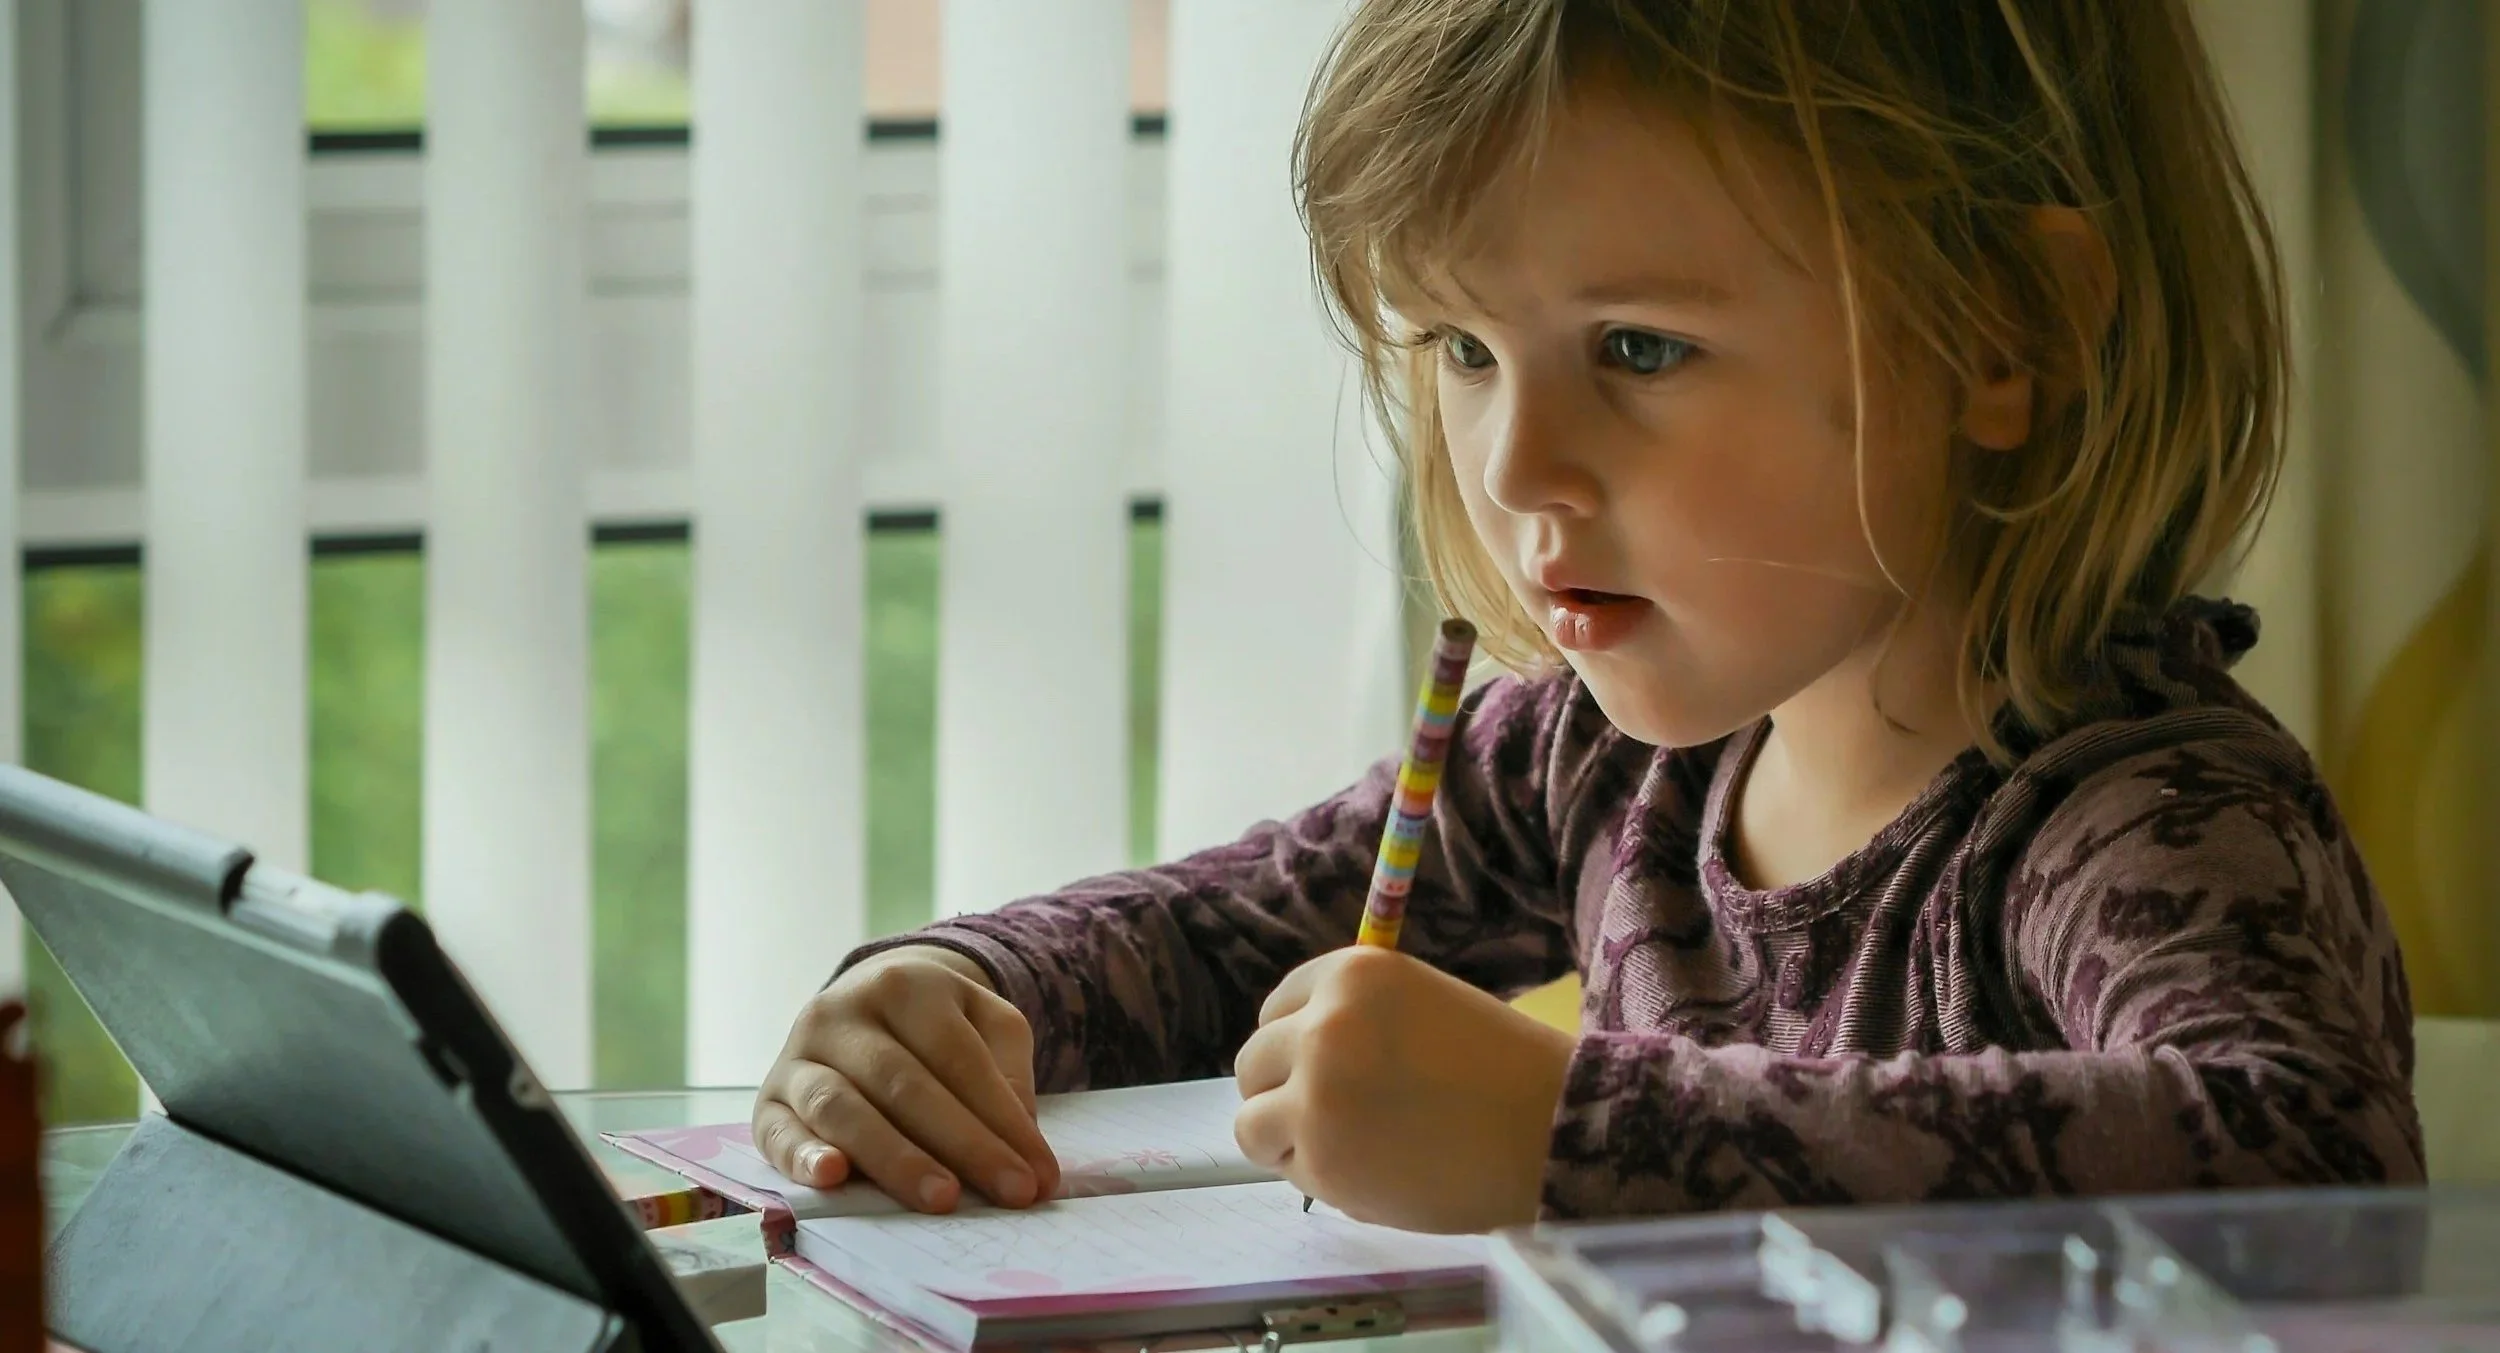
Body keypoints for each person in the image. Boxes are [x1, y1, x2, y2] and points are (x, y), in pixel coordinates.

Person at [752, 0, 2424, 1235]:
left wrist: (1574, 1126)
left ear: (2005, 334)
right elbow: (1211, 939)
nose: (1515, 466)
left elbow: (2313, 1161)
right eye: (1464, 353)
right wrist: (952, 994)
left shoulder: (2144, 817)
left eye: (1638, 348)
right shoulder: (1594, 762)